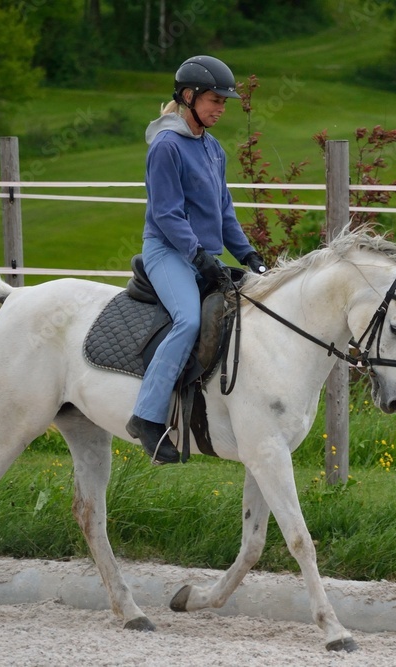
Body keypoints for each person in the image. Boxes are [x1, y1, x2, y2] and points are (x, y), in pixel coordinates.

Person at [127, 54, 267, 464]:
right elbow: (167, 214)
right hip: (168, 252)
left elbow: (224, 212)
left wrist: (248, 253)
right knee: (188, 320)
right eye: (214, 100)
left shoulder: (212, 148)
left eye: (224, 103)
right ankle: (147, 418)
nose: (221, 109)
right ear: (188, 97)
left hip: (201, 254)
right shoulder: (166, 147)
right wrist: (199, 256)